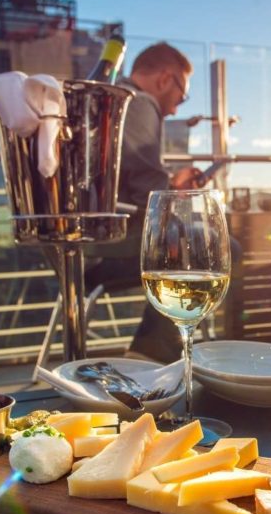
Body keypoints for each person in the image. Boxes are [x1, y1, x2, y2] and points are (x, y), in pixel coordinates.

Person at [84, 42, 207, 363]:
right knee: (210, 247)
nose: (177, 109)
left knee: (190, 239)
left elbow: (131, 180)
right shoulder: (138, 103)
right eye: (181, 97)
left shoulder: (103, 100)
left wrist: (169, 182)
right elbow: (149, 196)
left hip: (77, 247)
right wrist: (172, 189)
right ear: (166, 79)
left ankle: (155, 351)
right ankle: (151, 356)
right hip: (109, 245)